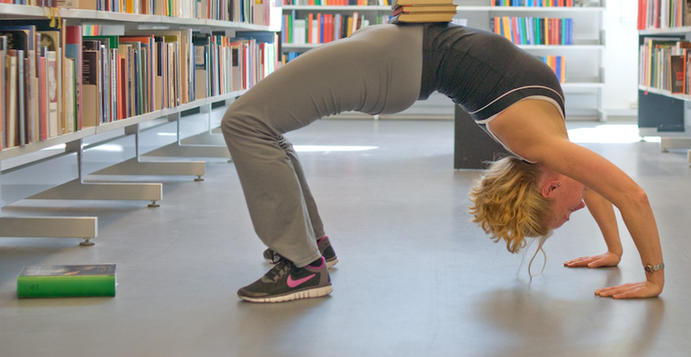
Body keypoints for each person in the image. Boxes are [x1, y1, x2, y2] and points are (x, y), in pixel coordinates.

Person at [221, 22, 665, 303]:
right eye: (569, 214)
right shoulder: (544, 145)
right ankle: (310, 253)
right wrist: (647, 274)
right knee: (254, 123)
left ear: (547, 186)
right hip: (396, 58)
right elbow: (629, 194)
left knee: (246, 122)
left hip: (397, 61)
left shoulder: (544, 146)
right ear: (551, 186)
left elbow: (603, 187)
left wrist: (620, 252)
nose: (580, 205)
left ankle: (303, 266)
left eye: (571, 212)